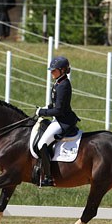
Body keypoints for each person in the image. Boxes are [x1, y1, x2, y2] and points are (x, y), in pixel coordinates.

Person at [35, 56, 80, 186]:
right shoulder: (59, 82)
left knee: (41, 144)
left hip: (62, 121)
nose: (51, 72)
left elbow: (59, 110)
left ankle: (48, 177)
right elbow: (55, 103)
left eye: (54, 70)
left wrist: (42, 113)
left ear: (62, 70)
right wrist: (45, 108)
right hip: (59, 118)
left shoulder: (64, 85)